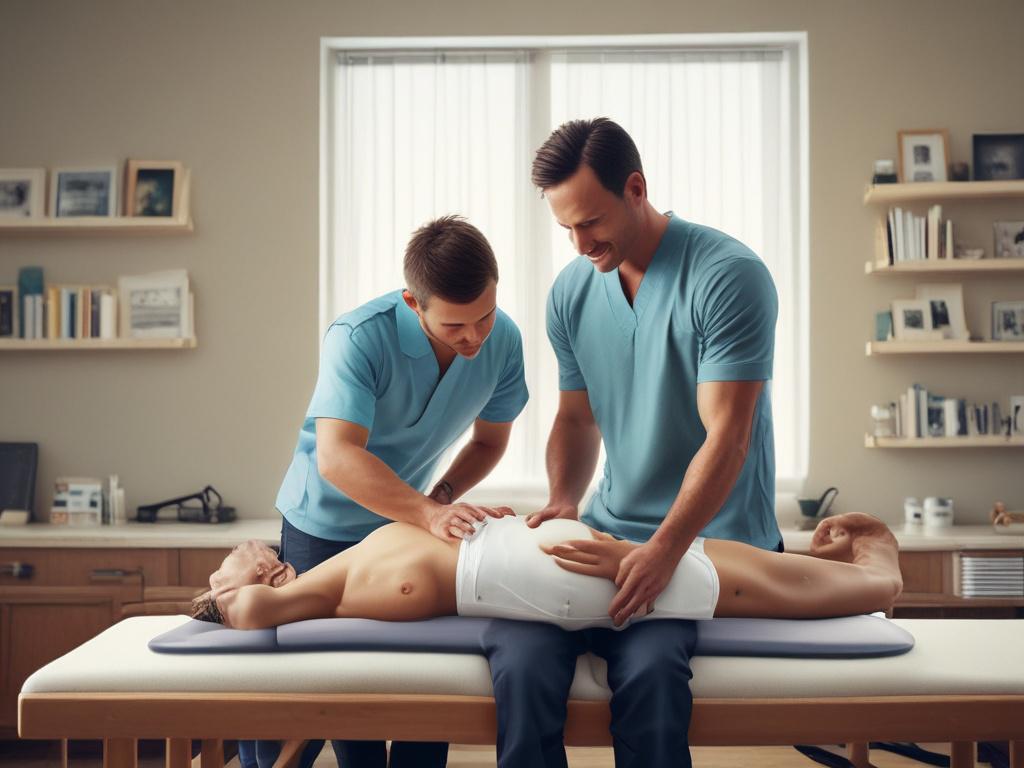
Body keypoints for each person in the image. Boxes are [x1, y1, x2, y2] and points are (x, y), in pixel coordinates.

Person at [483, 117, 782, 768]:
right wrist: (564, 501)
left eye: (590, 222)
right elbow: (576, 419)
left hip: (710, 541)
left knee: (648, 675)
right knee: (523, 661)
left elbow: (727, 438)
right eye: (565, 228)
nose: (578, 242)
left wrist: (664, 550)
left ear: (637, 188)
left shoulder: (727, 275)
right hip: (608, 529)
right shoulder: (571, 292)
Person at [250, 215, 529, 768]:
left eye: (485, 317)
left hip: (405, 525)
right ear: (413, 302)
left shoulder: (504, 341)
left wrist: (442, 498)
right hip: (322, 527)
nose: (474, 336)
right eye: (455, 326)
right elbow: (337, 456)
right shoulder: (358, 337)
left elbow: (491, 441)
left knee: (420, 683)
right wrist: (427, 514)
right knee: (322, 692)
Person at [190, 512, 902, 633]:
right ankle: (880, 578)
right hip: (568, 579)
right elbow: (245, 615)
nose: (245, 545)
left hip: (558, 554)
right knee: (743, 583)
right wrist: (224, 593)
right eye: (234, 555)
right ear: (262, 575)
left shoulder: (345, 565)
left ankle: (847, 563)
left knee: (744, 571)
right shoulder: (309, 592)